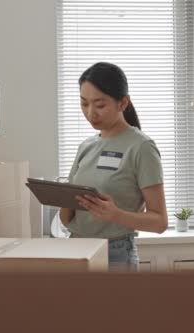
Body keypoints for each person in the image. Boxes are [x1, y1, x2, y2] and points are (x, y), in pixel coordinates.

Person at [59, 62, 168, 271]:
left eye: (100, 105)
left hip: (115, 254)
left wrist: (115, 214)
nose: (91, 113)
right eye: (84, 103)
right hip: (76, 249)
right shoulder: (86, 146)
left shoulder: (141, 147)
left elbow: (160, 222)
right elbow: (67, 218)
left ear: (122, 103)